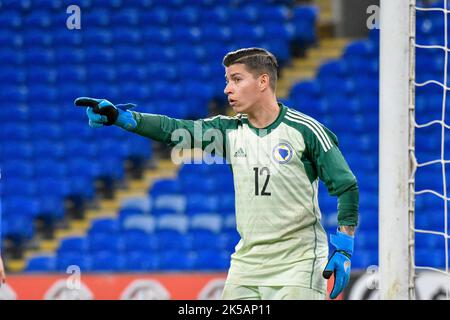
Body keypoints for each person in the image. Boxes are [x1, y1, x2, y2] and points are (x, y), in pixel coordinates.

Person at [75, 47, 358, 300]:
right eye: (227, 81)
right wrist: (123, 118)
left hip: (299, 263)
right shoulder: (229, 131)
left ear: (263, 82)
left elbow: (346, 185)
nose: (227, 89)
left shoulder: (305, 130)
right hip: (247, 263)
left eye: (236, 79)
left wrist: (344, 247)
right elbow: (173, 130)